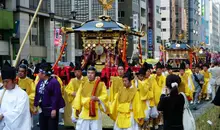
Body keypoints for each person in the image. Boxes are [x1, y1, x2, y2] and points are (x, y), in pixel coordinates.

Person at [34, 63, 65, 130]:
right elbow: (37, 93)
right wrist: (35, 105)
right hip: (42, 109)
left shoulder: (54, 82)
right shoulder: (40, 82)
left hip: (51, 109)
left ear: (44, 74)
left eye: (39, 72)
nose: (38, 74)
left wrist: (54, 109)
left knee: (52, 127)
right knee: (43, 127)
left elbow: (56, 96)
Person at [0, 66, 31, 130]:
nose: (5, 84)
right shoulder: (1, 93)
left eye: (7, 81)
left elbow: (19, 113)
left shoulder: (22, 95)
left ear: (14, 80)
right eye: (3, 82)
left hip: (18, 127)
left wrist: (3, 116)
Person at [150, 62, 166, 129]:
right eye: (157, 69)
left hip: (160, 96)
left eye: (159, 69)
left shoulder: (164, 78)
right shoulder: (153, 77)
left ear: (162, 70)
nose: (158, 71)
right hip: (153, 96)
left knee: (160, 111)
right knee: (154, 111)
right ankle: (154, 123)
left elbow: (164, 87)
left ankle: (161, 122)